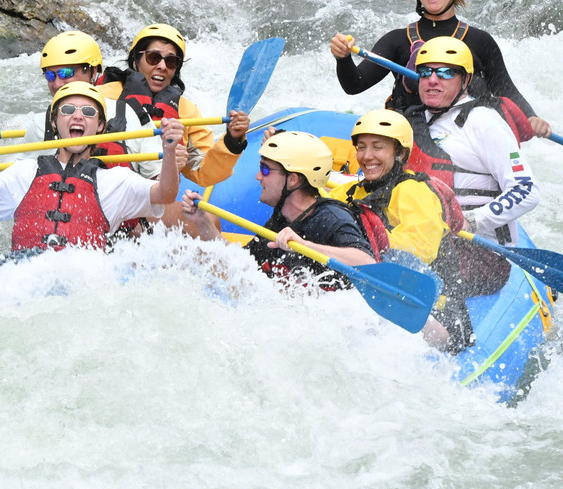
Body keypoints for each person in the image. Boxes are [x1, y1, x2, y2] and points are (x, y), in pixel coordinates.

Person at [329, 0, 552, 138]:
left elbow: (506, 92)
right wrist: (343, 58)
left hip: (466, 141)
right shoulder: (397, 40)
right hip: (414, 141)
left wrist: (531, 117)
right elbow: (354, 85)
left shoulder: (480, 41)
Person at [0, 82, 184, 253]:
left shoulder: (115, 180)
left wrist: (170, 151)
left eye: (89, 112)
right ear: (54, 122)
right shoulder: (25, 172)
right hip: (22, 275)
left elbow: (166, 194)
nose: (78, 117)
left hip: (81, 286)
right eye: (68, 110)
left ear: (100, 126)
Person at [403, 38, 541, 292]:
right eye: (425, 72)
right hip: (423, 240)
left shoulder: (483, 122)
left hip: (480, 253)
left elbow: (527, 191)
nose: (433, 80)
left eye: (445, 72)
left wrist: (471, 221)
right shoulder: (411, 122)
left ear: (464, 80)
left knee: (408, 277)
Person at [330, 110, 474, 352]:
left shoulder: (413, 191)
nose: (367, 156)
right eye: (362, 147)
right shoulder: (353, 192)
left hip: (433, 306)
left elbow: (420, 250)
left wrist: (363, 239)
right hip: (383, 292)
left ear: (400, 153)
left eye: (378, 147)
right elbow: (317, 205)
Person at [180, 130, 374, 291]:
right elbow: (241, 263)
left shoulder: (330, 217)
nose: (257, 177)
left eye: (265, 170)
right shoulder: (282, 219)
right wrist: (202, 222)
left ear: (292, 179)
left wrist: (304, 245)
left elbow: (368, 265)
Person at [98, 23, 250, 226]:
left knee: (211, 222)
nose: (162, 66)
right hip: (104, 192)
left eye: (171, 61)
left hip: (152, 199)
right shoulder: (101, 97)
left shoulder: (186, 110)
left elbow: (203, 171)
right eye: (153, 58)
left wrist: (233, 140)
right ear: (136, 61)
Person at [25, 30, 159, 167]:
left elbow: (157, 176)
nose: (57, 83)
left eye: (66, 73)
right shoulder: (40, 124)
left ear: (93, 72)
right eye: (50, 76)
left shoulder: (128, 113)